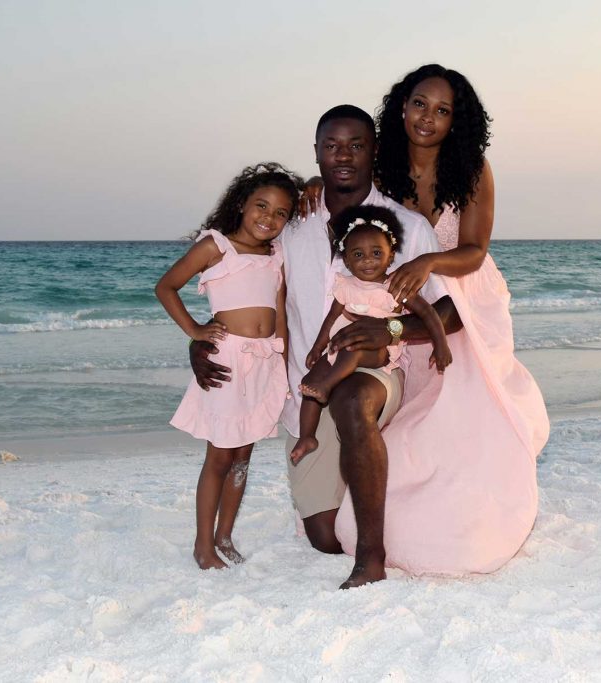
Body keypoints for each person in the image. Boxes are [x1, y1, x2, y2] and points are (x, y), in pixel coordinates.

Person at [190, 105, 461, 588]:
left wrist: (393, 331)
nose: (343, 155)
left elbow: (451, 311)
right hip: (306, 390)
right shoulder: (290, 226)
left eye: (356, 145)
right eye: (332, 146)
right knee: (323, 535)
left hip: (376, 370)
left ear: (374, 152)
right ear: (315, 154)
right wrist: (203, 335)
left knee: (354, 396)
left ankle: (371, 559)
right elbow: (246, 285)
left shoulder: (405, 226)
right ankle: (372, 495)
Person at [309, 65, 551, 575]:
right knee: (417, 420)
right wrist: (313, 181)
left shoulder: (471, 168)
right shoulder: (382, 165)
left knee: (465, 419)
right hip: (399, 297)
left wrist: (429, 262)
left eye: (443, 110)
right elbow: (346, 186)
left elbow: (474, 250)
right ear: (402, 106)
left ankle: (469, 522)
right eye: (421, 104)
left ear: (455, 121)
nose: (428, 118)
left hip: (461, 293)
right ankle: (402, 523)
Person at [156, 162, 301, 571]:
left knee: (243, 456)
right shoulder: (215, 246)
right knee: (219, 456)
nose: (268, 219)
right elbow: (165, 286)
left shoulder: (276, 256)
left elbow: (280, 312)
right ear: (241, 204)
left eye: (280, 214)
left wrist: (284, 361)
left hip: (264, 361)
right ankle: (203, 545)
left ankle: (225, 535)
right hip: (227, 360)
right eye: (261, 206)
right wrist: (195, 331)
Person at [290, 205, 451, 466]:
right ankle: (308, 436)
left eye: (376, 253)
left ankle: (328, 386)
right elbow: (330, 319)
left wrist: (440, 345)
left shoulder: (396, 287)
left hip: (378, 352)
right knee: (309, 382)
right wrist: (317, 348)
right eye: (358, 254)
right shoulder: (345, 285)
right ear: (347, 259)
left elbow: (429, 314)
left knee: (353, 345)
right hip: (339, 348)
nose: (368, 260)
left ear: (390, 257)